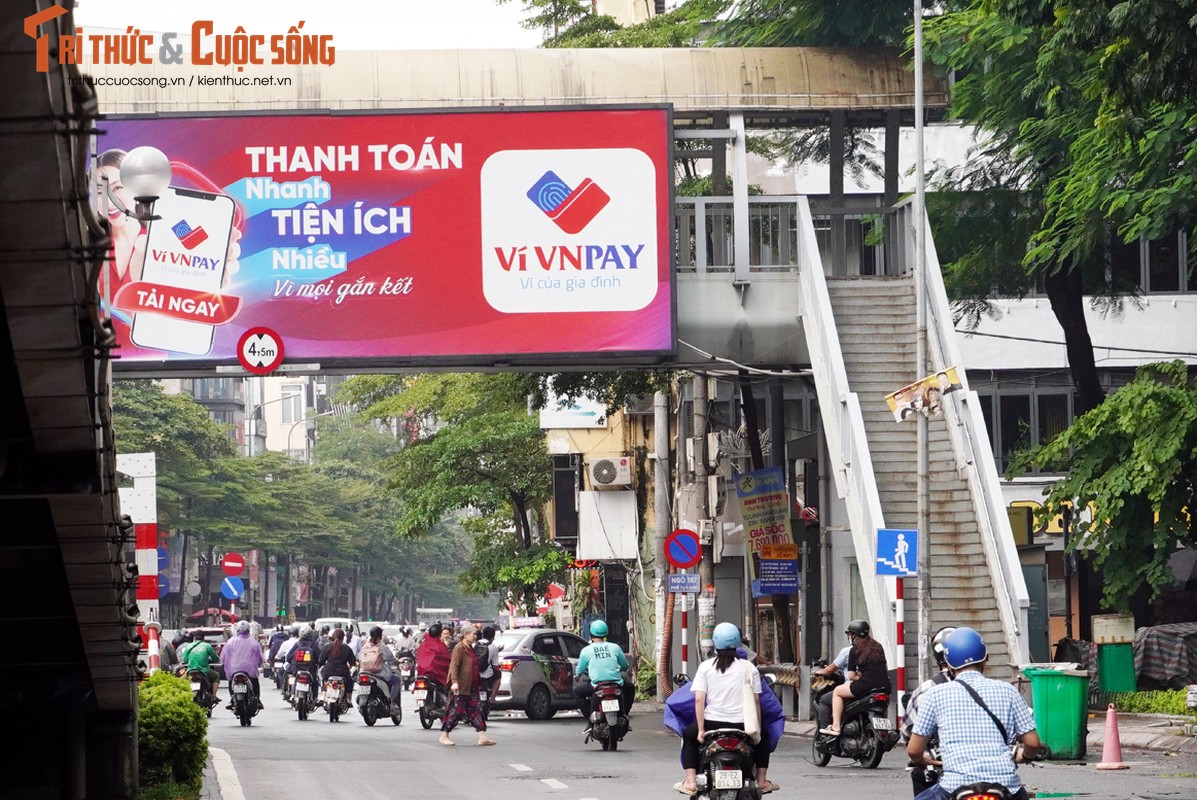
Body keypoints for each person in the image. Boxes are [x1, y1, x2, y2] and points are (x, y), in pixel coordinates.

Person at [908, 627, 1041, 800]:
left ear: (948, 664)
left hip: (954, 786)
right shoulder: (1008, 691)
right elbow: (1033, 743)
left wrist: (923, 760)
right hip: (1006, 786)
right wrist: (1024, 756)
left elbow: (914, 750)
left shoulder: (935, 694)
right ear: (985, 659)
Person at [674, 622, 775, 796]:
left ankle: (690, 781)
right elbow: (756, 701)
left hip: (712, 723)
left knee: (688, 737)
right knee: (765, 737)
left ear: (715, 643)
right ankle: (761, 780)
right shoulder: (748, 667)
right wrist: (756, 727)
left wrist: (700, 729)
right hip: (742, 724)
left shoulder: (706, 667)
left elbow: (699, 699)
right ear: (738, 643)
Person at [902, 627, 957, 795]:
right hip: (994, 777)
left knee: (920, 775)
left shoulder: (928, 691)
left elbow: (909, 736)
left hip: (945, 774)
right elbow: (1031, 742)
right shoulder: (1000, 690)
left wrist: (921, 758)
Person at [821, 619, 891, 736]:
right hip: (885, 685)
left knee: (837, 691)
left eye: (849, 634)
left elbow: (851, 675)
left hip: (866, 686)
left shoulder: (855, 650)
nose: (849, 637)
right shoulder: (878, 647)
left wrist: (860, 677)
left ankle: (836, 726)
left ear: (854, 635)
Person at [438, 626, 495, 746]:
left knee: (476, 710)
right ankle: (445, 735)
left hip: (472, 685)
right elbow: (454, 666)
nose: (475, 636)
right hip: (461, 686)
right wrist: (454, 682)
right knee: (456, 711)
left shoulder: (470, 648)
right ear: (465, 634)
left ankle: (482, 736)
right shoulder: (459, 648)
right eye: (473, 634)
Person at [573, 619, 633, 732]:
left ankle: (590, 719)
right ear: (606, 632)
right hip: (616, 684)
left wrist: (577, 675)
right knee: (630, 688)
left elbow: (579, 669)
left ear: (591, 634)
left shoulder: (586, 650)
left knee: (577, 692)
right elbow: (624, 666)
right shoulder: (615, 647)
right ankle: (625, 715)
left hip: (596, 685)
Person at [221, 619, 265, 711]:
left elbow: (224, 657)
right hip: (249, 670)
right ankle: (257, 699)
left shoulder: (230, 642)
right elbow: (260, 657)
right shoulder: (254, 642)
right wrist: (261, 662)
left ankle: (232, 699)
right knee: (255, 681)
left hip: (234, 669)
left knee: (230, 681)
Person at [359, 625, 402, 707]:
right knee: (396, 680)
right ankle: (391, 702)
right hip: (379, 673)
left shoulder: (365, 646)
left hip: (364, 672)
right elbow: (391, 660)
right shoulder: (382, 647)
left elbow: (359, 657)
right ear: (380, 636)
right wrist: (397, 662)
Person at [812, 643, 853, 728]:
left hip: (854, 688)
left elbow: (831, 669)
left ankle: (829, 729)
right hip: (874, 687)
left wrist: (818, 672)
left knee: (825, 699)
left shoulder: (850, 651)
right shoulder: (875, 650)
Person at [316, 628, 357, 705]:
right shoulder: (347, 649)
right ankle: (348, 699)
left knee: (325, 681)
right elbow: (352, 662)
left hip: (328, 671)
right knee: (350, 682)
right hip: (343, 672)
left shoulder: (327, 647)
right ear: (343, 638)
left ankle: (323, 695)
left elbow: (321, 661)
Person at [180, 631, 221, 702]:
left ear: (194, 638)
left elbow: (185, 660)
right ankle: (214, 696)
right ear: (203, 638)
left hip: (190, 671)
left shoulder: (188, 646)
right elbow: (215, 659)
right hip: (204, 671)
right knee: (216, 676)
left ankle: (181, 698)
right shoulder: (207, 646)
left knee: (180, 682)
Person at [417, 621, 452, 687]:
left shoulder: (423, 645)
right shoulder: (440, 646)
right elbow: (447, 660)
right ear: (440, 634)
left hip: (422, 673)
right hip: (436, 674)